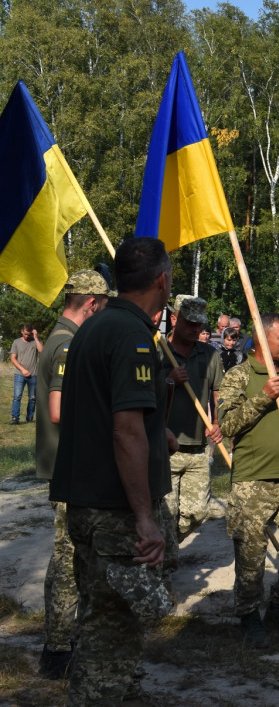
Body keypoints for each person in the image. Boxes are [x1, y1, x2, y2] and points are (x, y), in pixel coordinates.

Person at [49, 237, 174, 705]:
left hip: (87, 502)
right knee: (112, 629)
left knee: (99, 616)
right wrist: (144, 517)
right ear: (161, 281)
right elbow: (125, 432)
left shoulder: (95, 328)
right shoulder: (131, 335)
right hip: (114, 511)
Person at [219, 312, 279, 647]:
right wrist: (262, 396)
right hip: (251, 481)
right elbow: (227, 426)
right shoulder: (239, 376)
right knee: (251, 557)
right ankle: (249, 617)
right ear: (262, 340)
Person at [34, 269, 110, 679]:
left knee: (72, 556)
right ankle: (58, 647)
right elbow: (61, 411)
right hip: (69, 466)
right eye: (104, 305)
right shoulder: (66, 345)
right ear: (91, 304)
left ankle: (65, 640)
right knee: (67, 560)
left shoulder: (59, 336)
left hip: (66, 465)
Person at [163, 296, 225, 544]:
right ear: (174, 319)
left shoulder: (210, 354)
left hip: (199, 448)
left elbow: (218, 392)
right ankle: (164, 568)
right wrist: (168, 381)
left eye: (199, 324)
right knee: (166, 516)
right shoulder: (158, 351)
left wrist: (218, 422)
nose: (196, 329)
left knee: (198, 512)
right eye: (190, 323)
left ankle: (165, 546)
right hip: (165, 446)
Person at [10, 322, 42, 424]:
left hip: (33, 374)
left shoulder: (35, 341)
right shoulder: (16, 342)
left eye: (29, 334)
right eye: (25, 334)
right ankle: (15, 418)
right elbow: (13, 358)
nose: (27, 336)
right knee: (17, 396)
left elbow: (41, 351)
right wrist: (23, 370)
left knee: (32, 398)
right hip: (20, 374)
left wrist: (36, 337)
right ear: (22, 331)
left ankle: (30, 418)